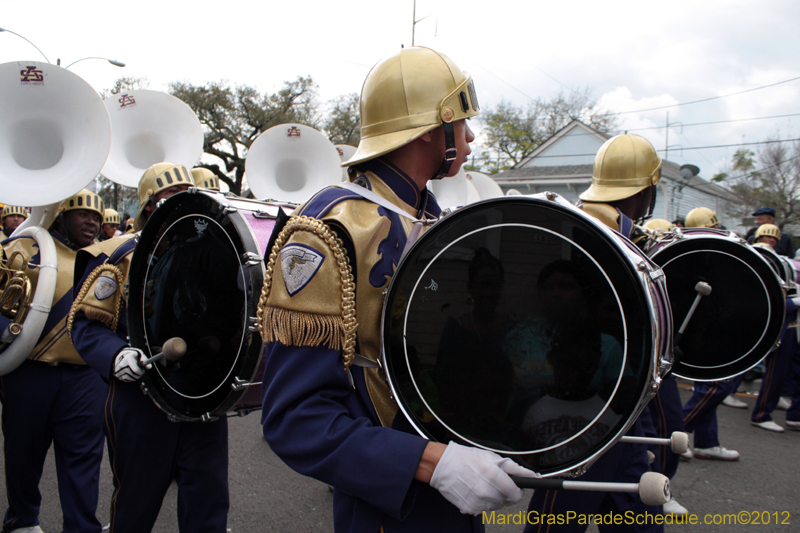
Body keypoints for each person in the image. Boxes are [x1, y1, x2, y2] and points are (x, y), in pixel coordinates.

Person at [258, 46, 537, 532]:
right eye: (462, 122)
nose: (470, 137)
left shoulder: (434, 218)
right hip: (388, 508)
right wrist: (429, 463)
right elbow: (295, 418)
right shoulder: (330, 229)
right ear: (431, 128)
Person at [68, 163, 230, 532]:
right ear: (148, 206)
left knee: (208, 501)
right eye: (173, 195)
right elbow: (86, 324)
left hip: (201, 394)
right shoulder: (118, 255)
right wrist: (115, 355)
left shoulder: (213, 251)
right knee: (135, 504)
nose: (186, 200)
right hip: (141, 397)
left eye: (190, 192)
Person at [525, 133, 674, 528]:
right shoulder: (622, 234)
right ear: (647, 190)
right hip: (603, 399)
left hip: (593, 397)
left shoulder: (577, 219)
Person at [0, 190, 107, 533]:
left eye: (97, 217)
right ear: (61, 215)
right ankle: (22, 519)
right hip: (30, 372)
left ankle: (81, 527)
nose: (92, 222)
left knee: (84, 460)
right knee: (23, 455)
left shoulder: (107, 258)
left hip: (85, 376)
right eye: (83, 214)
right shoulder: (24, 248)